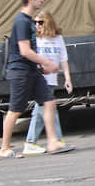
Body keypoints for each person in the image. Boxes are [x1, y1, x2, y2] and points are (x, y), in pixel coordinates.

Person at [0, 0, 75, 158]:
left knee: (49, 101)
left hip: (32, 70)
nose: (42, 1)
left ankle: (53, 142)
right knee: (16, 109)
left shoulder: (29, 20)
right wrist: (46, 63)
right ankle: (5, 147)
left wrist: (40, 67)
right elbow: (24, 51)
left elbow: (30, 51)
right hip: (20, 71)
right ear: (30, 0)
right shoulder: (22, 21)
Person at [22, 11, 72, 155]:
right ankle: (31, 141)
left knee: (49, 109)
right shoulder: (34, 40)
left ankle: (56, 140)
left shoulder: (57, 38)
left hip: (51, 79)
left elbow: (63, 58)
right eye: (35, 22)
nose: (37, 25)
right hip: (39, 79)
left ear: (48, 22)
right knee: (41, 110)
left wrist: (67, 78)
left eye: (40, 22)